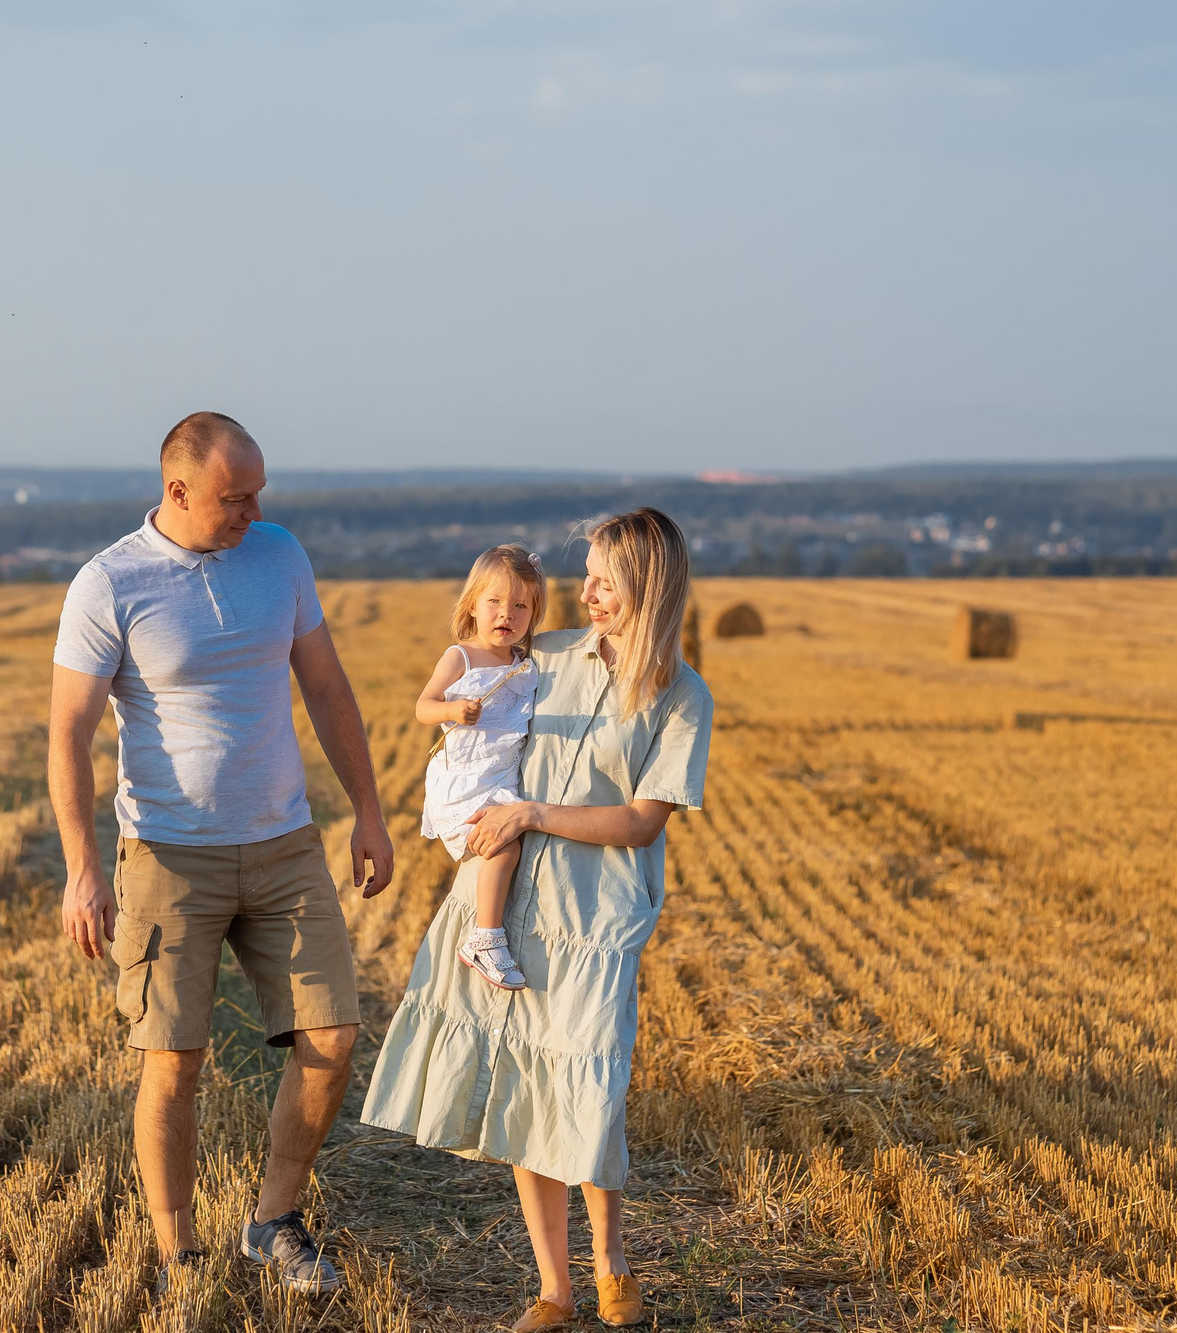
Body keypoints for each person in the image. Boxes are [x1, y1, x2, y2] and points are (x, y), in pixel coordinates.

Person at [49, 411, 394, 1296]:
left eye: (259, 494)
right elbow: (69, 733)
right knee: (176, 1061)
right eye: (235, 498)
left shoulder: (280, 554)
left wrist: (368, 809)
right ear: (179, 490)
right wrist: (83, 867)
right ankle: (177, 1254)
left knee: (334, 1032)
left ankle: (274, 1221)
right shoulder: (110, 583)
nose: (252, 511)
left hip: (283, 844)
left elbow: (325, 683)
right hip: (167, 856)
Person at [360, 508, 711, 1331]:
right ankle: (554, 1288)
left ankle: (611, 1264)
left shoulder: (682, 697)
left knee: (588, 1088)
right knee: (522, 1088)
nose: (583, 592)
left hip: (596, 921)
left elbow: (641, 821)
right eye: (584, 575)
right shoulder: (543, 657)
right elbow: (456, 703)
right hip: (507, 903)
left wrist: (529, 815)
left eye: (603, 579)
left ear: (647, 586)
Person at [411, 544, 546, 990]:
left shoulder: (525, 665)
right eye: (495, 602)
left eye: (520, 605)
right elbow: (423, 707)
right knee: (503, 846)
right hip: (467, 778)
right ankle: (484, 938)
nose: (506, 614)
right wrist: (452, 713)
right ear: (472, 604)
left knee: (517, 847)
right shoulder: (461, 657)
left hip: (502, 775)